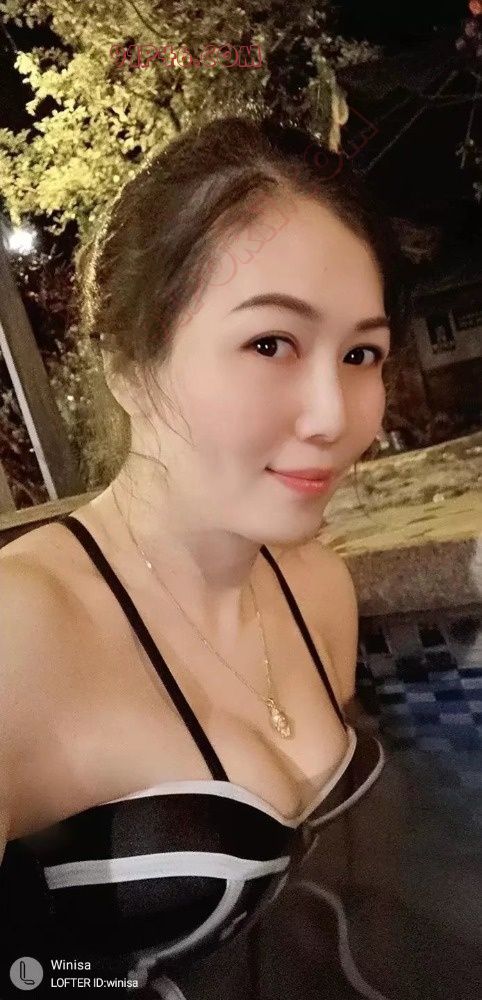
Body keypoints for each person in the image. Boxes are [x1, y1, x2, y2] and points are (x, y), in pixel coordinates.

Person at [0, 114, 413, 998]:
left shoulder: (318, 589)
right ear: (129, 363)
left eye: (361, 353)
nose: (334, 415)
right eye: (271, 344)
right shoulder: (21, 632)